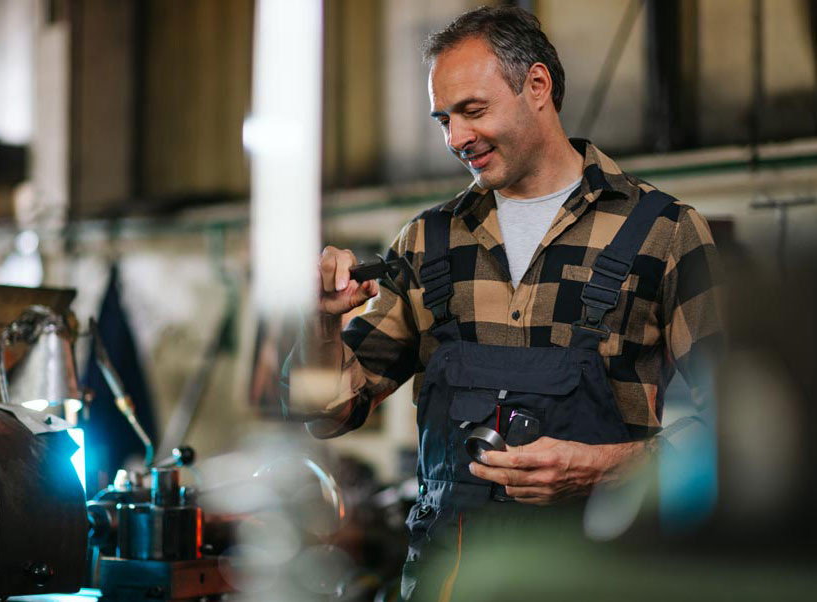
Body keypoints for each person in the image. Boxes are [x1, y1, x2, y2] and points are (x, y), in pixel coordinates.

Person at [285, 5, 722, 600]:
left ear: (536, 86)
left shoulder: (663, 233)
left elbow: (736, 435)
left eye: (472, 110)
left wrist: (604, 468)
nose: (455, 138)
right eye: (444, 119)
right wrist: (319, 322)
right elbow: (328, 413)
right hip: (449, 582)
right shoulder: (426, 242)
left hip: (602, 580)